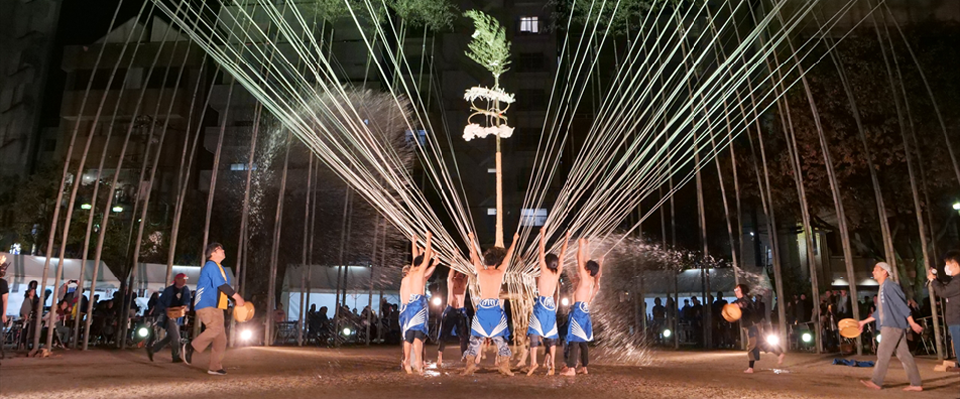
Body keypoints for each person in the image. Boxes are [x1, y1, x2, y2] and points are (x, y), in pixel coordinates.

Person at [182, 243, 246, 376]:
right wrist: (237, 297)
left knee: (221, 339)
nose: (223, 250)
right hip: (206, 304)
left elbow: (222, 289)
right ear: (213, 253)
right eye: (220, 249)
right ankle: (190, 347)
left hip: (217, 306)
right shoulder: (211, 265)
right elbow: (221, 285)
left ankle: (215, 367)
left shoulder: (221, 268)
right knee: (215, 329)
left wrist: (233, 301)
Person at [857, 262, 923, 391]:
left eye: (876, 269)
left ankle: (876, 382)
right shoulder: (884, 287)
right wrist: (863, 322)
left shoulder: (890, 286)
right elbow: (879, 312)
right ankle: (916, 384)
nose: (873, 272)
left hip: (892, 325)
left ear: (884, 272)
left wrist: (912, 322)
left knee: (882, 353)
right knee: (904, 355)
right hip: (893, 325)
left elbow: (901, 304)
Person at [462, 231, 519, 376]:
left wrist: (472, 240)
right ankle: (504, 366)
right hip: (494, 308)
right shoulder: (500, 272)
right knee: (500, 339)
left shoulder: (481, 271)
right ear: (496, 262)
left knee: (476, 338)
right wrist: (514, 240)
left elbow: (474, 256)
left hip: (482, 309)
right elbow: (508, 256)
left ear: (485, 262)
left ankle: (470, 365)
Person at [523, 228, 569, 376]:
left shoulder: (543, 270)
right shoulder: (557, 273)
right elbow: (562, 255)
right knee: (551, 335)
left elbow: (540, 251)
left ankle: (534, 363)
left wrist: (542, 234)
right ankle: (553, 365)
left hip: (541, 304)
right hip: (550, 306)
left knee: (534, 334)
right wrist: (567, 237)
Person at [560, 238, 602, 377]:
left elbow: (580, 259)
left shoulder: (585, 277)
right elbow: (587, 262)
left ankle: (571, 368)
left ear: (588, 271)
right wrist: (587, 246)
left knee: (574, 339)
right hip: (585, 310)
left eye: (585, 268)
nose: (582, 268)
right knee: (582, 340)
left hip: (578, 310)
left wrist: (580, 246)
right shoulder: (592, 280)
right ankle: (584, 367)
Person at [399, 233, 437, 374]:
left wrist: (413, 242)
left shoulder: (412, 272)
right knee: (418, 336)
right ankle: (418, 363)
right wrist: (428, 239)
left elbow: (417, 257)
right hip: (418, 305)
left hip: (409, 306)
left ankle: (408, 361)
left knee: (409, 336)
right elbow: (425, 257)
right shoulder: (420, 271)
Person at [734, 284, 784, 373]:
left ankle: (751, 367)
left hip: (752, 325)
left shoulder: (745, 300)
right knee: (760, 343)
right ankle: (779, 353)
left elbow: (744, 305)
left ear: (743, 290)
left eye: (737, 290)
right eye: (735, 290)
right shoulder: (740, 300)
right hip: (749, 325)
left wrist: (739, 306)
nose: (736, 291)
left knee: (751, 345)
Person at [147, 273, 191, 363]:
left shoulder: (185, 290)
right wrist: (165, 309)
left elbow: (187, 301)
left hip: (178, 315)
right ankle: (175, 356)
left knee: (171, 337)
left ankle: (153, 349)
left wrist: (186, 306)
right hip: (169, 315)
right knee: (177, 337)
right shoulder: (169, 290)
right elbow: (160, 302)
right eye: (182, 279)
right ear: (177, 280)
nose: (184, 281)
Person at [928, 250, 960, 370]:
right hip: (955, 319)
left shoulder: (958, 280)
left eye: (947, 264)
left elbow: (944, 291)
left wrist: (933, 281)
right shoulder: (955, 280)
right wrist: (936, 280)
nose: (946, 267)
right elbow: (947, 289)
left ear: (955, 264)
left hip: (957, 319)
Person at [436, 268, 469, 367]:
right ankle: (440, 355)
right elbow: (451, 272)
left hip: (461, 311)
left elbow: (469, 273)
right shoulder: (451, 282)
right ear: (455, 276)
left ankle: (464, 355)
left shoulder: (464, 283)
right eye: (458, 274)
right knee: (444, 335)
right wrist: (454, 257)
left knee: (463, 335)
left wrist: (472, 259)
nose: (460, 276)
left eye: (461, 275)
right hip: (451, 310)